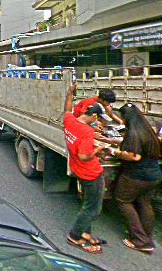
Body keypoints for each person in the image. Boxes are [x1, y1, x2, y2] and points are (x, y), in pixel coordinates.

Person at [64, 84, 113, 254]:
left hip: (78, 169)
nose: (98, 121)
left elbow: (67, 109)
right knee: (93, 208)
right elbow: (84, 156)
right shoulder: (86, 132)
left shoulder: (69, 121)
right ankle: (74, 236)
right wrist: (99, 150)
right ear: (93, 115)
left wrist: (70, 92)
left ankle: (85, 232)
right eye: (98, 118)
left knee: (87, 203)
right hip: (90, 173)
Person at [115, 103, 162, 254]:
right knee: (144, 202)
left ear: (126, 118)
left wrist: (116, 152)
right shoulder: (147, 130)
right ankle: (146, 236)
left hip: (136, 176)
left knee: (123, 201)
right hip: (154, 175)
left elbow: (134, 156)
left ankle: (140, 241)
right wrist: (114, 142)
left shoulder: (132, 133)